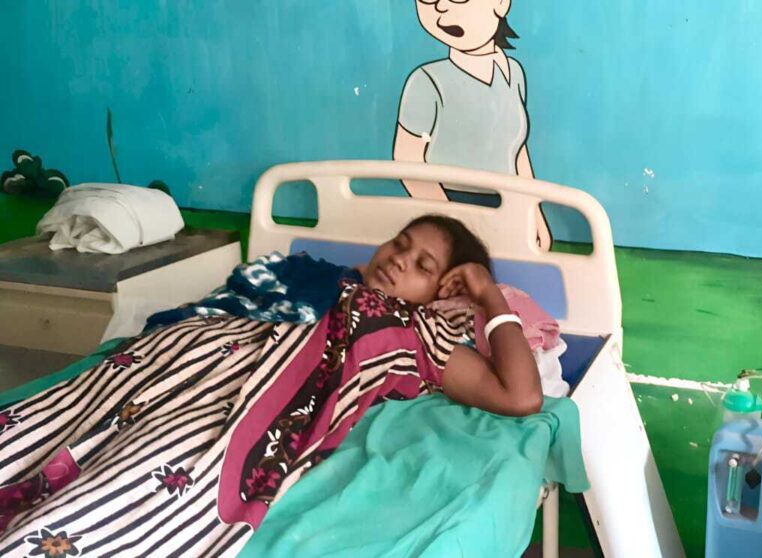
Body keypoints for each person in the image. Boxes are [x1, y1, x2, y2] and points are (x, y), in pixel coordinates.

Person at [0, 214, 541, 556]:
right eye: (400, 244)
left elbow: (522, 397)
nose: (400, 259)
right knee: (48, 426)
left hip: (239, 401)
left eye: (423, 265)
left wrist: (487, 294)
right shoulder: (305, 273)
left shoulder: (416, 332)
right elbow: (226, 303)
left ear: (445, 290)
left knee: (138, 476)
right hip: (175, 357)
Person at [394, 0, 552, 249]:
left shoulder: (514, 73)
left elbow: (517, 151)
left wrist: (534, 213)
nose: (440, 6)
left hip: (509, 205)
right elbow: (407, 160)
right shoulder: (427, 81)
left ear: (501, 3)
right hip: (447, 202)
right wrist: (452, 222)